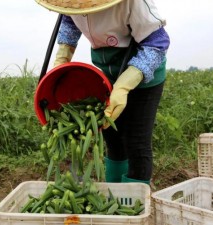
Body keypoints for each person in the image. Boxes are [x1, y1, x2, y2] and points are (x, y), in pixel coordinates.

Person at [35, 0, 170, 185]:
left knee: (136, 142)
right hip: (107, 71)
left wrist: (123, 86)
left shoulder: (132, 3)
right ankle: (115, 196)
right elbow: (69, 21)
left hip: (144, 72)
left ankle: (132, 205)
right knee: (112, 137)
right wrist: (62, 59)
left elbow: (157, 43)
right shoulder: (72, 3)